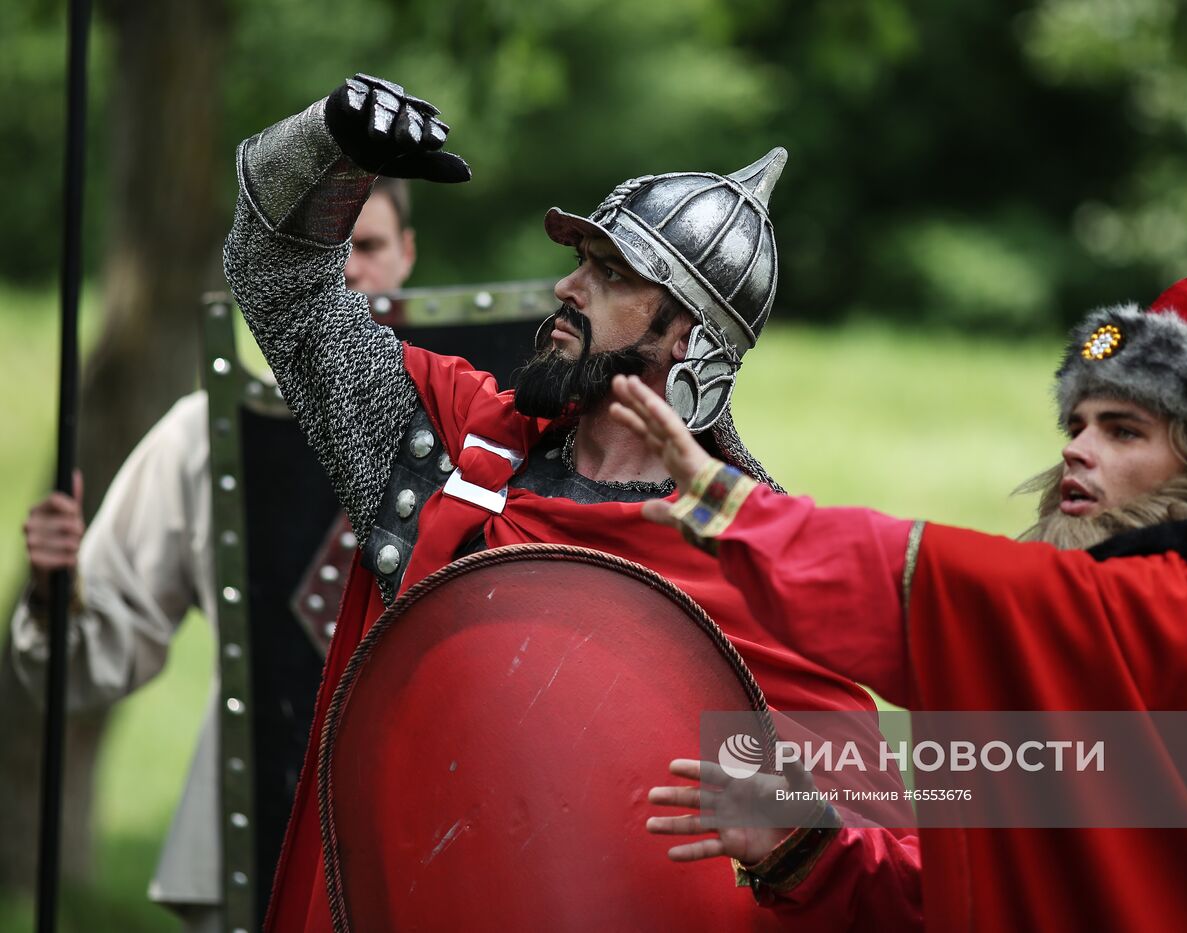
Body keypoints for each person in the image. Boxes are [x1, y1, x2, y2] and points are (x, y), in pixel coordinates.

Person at [224, 74, 921, 931]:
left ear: (689, 339)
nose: (567, 288)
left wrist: (795, 842)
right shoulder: (445, 444)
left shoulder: (767, 565)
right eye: (580, 262)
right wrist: (329, 147)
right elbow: (279, 283)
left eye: (610, 273)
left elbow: (894, 885)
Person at [613, 270, 1187, 931]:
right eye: (1077, 423)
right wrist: (806, 846)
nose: (1076, 448)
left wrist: (737, 511)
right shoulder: (1088, 651)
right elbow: (965, 899)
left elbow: (945, 582)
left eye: (1124, 430)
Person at [14, 178, 416, 933]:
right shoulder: (205, 436)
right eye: (321, 252)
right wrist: (52, 590)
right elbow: (85, 660)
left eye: (365, 247)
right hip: (255, 840)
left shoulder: (479, 427)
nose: (345, 273)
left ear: (407, 255)